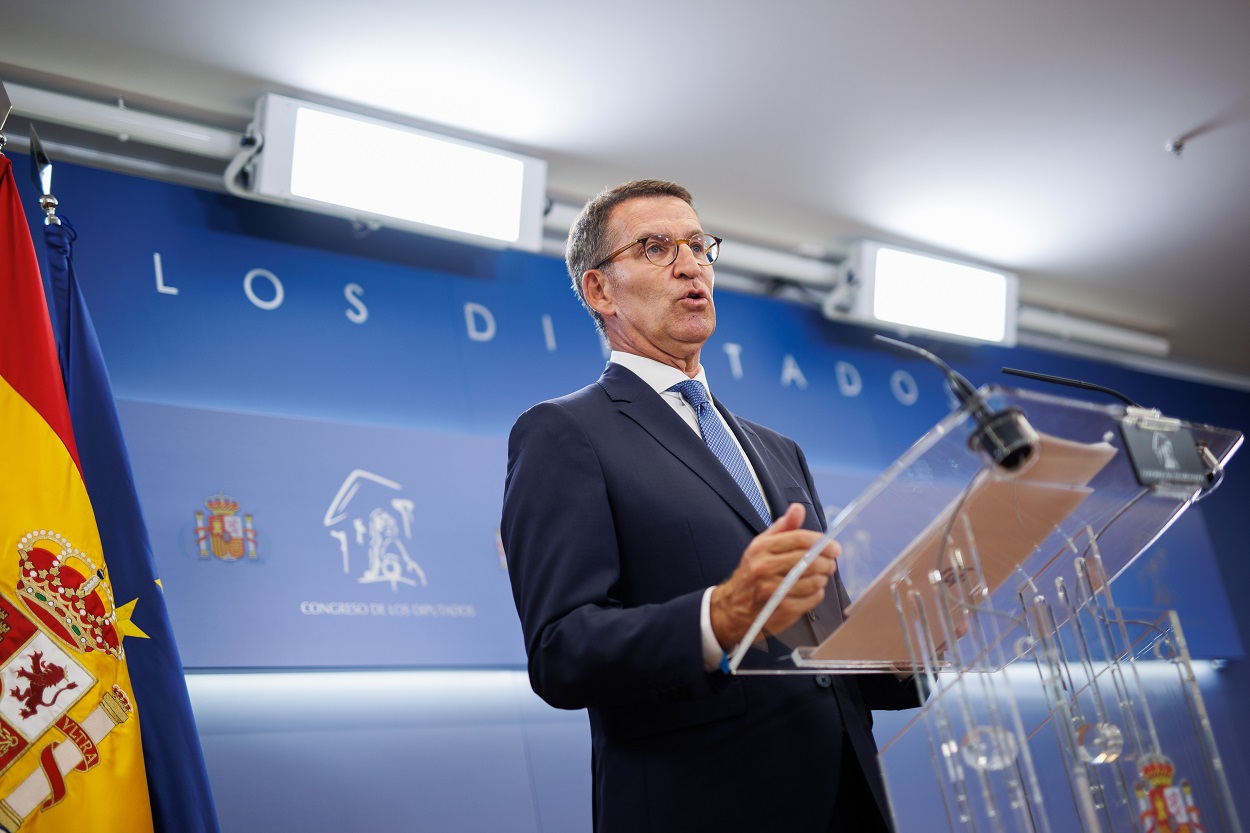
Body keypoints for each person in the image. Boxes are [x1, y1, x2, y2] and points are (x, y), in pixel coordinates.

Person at [501, 180, 921, 832]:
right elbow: (563, 650)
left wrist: (896, 649)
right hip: (703, 803)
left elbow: (819, 654)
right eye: (656, 246)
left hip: (848, 798)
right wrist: (717, 616)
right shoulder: (564, 432)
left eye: (700, 246)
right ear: (600, 291)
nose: (691, 264)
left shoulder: (778, 449)